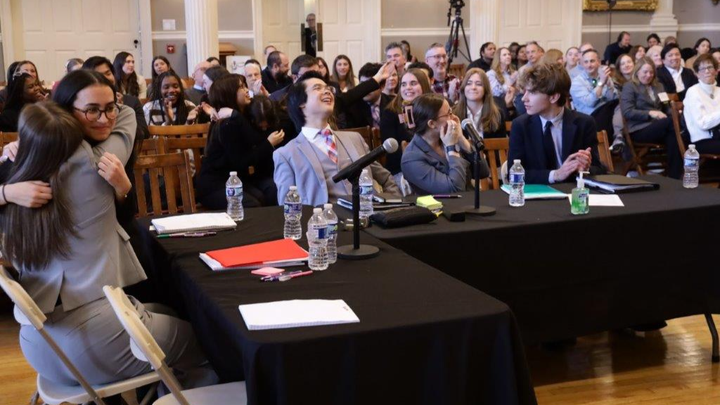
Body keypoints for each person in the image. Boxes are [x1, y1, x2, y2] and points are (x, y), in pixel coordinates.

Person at [3, 81, 213, 388]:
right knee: (210, 342)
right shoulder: (94, 166)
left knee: (164, 312)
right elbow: (127, 116)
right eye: (90, 111)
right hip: (92, 344)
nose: (103, 119)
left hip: (40, 347)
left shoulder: (17, 185)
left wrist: (6, 191)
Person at [274, 71, 400, 206]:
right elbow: (287, 207)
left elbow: (386, 178)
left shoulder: (355, 139)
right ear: (301, 103)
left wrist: (393, 207)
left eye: (328, 88)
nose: (327, 91)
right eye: (317, 88)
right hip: (324, 218)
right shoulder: (286, 154)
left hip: (368, 215)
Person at [509, 62, 603, 184]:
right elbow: (513, 174)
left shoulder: (584, 123)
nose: (524, 98)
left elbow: (598, 169)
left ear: (553, 97)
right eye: (525, 92)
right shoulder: (521, 125)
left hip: (571, 191)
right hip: (538, 192)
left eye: (532, 92)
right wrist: (555, 175)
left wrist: (585, 168)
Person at [197, 75, 281, 208]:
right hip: (215, 185)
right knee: (252, 204)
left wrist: (237, 116)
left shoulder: (239, 116)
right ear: (229, 94)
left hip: (236, 180)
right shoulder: (227, 123)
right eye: (241, 87)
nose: (247, 90)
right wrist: (268, 144)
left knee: (266, 195)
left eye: (245, 86)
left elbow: (255, 137)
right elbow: (241, 162)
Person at [402, 93, 488, 195]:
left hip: (471, 199)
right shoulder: (411, 158)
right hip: (442, 204)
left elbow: (483, 172)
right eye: (448, 114)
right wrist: (451, 149)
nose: (454, 117)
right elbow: (454, 190)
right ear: (432, 124)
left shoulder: (447, 138)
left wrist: (461, 139)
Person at [620, 56, 682, 178]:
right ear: (637, 72)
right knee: (672, 125)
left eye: (651, 72)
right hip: (639, 129)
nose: (648, 75)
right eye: (645, 72)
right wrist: (650, 113)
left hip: (660, 127)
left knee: (673, 136)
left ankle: (674, 177)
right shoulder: (630, 86)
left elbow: (666, 107)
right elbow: (627, 112)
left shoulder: (659, 86)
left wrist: (675, 113)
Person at [381, 68, 432, 184]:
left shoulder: (433, 109)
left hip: (432, 164)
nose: (407, 88)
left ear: (424, 86)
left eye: (413, 83)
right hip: (401, 168)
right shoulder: (390, 112)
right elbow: (391, 151)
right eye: (403, 84)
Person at [454, 68, 507, 139]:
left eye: (478, 84)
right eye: (468, 83)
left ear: (485, 89)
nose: (473, 87)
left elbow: (501, 144)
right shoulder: (454, 114)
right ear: (463, 88)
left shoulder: (497, 115)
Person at [682, 54, 720, 154]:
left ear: (716, 71)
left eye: (710, 67)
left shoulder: (719, 90)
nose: (707, 71)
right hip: (702, 140)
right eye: (702, 69)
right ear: (697, 74)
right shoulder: (693, 91)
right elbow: (703, 124)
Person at [344, 63, 393, 129]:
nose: (365, 90)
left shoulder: (392, 104)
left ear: (382, 86)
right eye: (362, 85)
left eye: (369, 86)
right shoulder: (352, 106)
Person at [570, 49, 618, 116]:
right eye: (586, 62)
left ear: (599, 62)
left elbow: (612, 98)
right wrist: (601, 83)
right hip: (589, 118)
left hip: (607, 113)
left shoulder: (603, 76)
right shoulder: (577, 82)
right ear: (582, 64)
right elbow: (590, 102)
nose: (589, 65)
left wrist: (609, 85)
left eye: (592, 61)